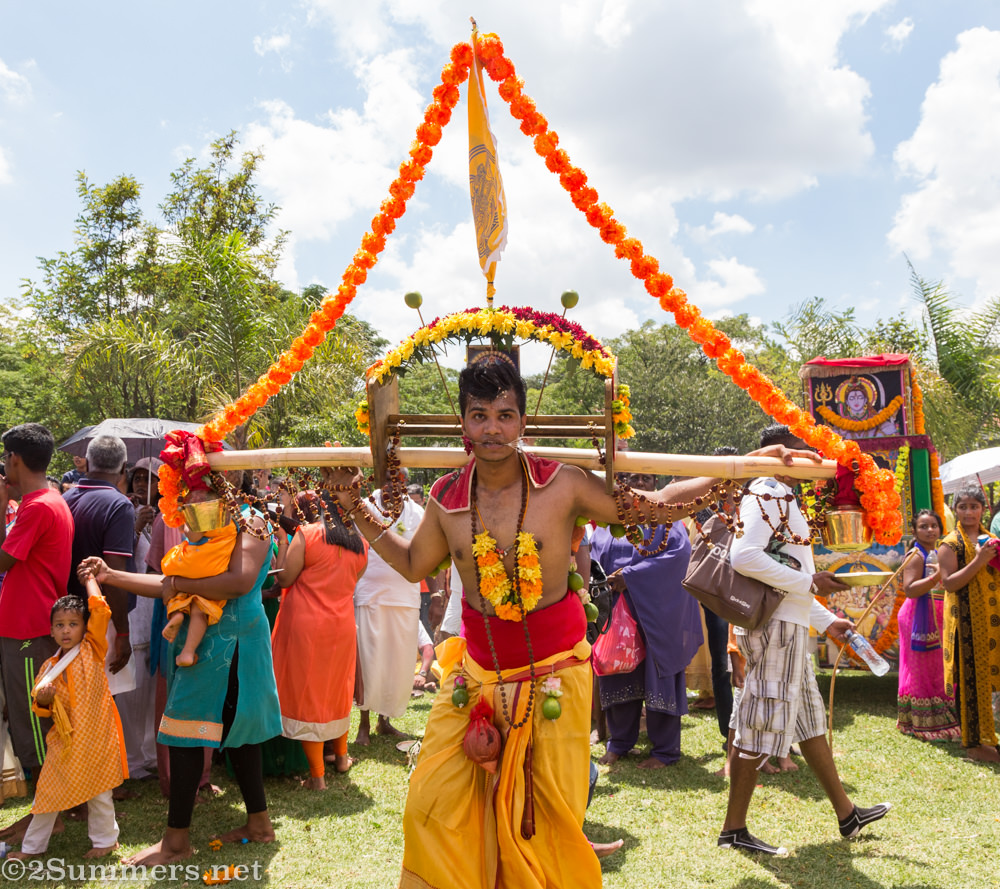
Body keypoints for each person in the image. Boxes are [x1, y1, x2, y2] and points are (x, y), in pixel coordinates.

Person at [325, 355, 818, 889]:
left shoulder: (563, 485)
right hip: (475, 678)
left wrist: (742, 466)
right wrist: (354, 504)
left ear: (522, 422)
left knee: (547, 822)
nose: (492, 428)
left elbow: (650, 506)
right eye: (479, 414)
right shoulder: (446, 498)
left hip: (554, 675)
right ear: (462, 422)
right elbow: (413, 564)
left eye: (505, 415)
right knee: (429, 800)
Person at [78, 470, 282, 866]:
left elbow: (239, 581)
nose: (191, 499)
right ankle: (257, 826)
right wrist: (111, 575)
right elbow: (168, 584)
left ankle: (176, 844)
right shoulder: (204, 530)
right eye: (187, 492)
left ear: (224, 487)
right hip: (203, 645)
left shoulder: (252, 521)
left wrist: (181, 585)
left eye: (200, 490)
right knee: (215, 735)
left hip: (237, 643)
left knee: (213, 734)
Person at [719, 424, 891, 856]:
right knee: (758, 724)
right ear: (784, 454)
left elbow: (786, 575)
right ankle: (733, 830)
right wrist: (811, 581)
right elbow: (745, 557)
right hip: (775, 629)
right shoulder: (770, 491)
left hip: (789, 623)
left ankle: (847, 814)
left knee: (810, 722)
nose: (816, 459)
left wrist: (825, 618)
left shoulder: (781, 494)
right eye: (805, 451)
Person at [7, 583, 126, 860]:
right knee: (47, 795)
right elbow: (41, 708)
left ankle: (106, 841)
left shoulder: (93, 649)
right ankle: (32, 848)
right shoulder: (48, 667)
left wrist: (90, 580)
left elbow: (101, 609)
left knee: (100, 792)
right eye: (59, 625)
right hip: (66, 743)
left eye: (73, 624)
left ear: (85, 628)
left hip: (97, 737)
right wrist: (46, 700)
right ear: (51, 631)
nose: (66, 630)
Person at [592, 473, 702, 769]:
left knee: (659, 676)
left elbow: (678, 558)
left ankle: (664, 751)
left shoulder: (668, 520)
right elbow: (594, 557)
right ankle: (619, 743)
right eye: (629, 478)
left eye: (644, 478)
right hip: (618, 612)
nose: (637, 484)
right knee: (618, 671)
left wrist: (630, 577)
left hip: (657, 614)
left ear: (656, 484)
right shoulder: (608, 520)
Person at [271, 490, 367, 788]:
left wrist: (283, 542)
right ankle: (340, 758)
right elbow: (353, 580)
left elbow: (284, 578)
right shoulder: (361, 545)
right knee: (335, 691)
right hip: (340, 626)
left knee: (309, 694)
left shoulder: (308, 534)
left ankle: (317, 777)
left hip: (306, 625)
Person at [0, 424, 74, 784]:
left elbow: (2, 561)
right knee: (31, 717)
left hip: (28, 629)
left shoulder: (39, 507)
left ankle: (46, 816)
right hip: (27, 625)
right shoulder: (48, 500)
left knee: (35, 720)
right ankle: (44, 812)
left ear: (14, 459)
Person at [353, 470, 425, 746]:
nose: (393, 485)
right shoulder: (365, 507)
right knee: (370, 660)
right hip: (369, 594)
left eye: (398, 480)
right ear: (377, 481)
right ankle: (363, 724)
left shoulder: (417, 512)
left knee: (398, 662)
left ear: (405, 483)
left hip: (405, 595)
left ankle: (385, 721)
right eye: (388, 479)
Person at [63, 435, 135, 694]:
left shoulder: (66, 499)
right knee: (101, 706)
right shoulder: (119, 505)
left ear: (89, 462)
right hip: (101, 622)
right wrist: (123, 634)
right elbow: (113, 576)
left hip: (65, 618)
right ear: (124, 468)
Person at [938, 483, 1000, 762]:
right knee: (970, 681)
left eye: (974, 506)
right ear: (955, 510)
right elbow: (949, 584)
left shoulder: (991, 540)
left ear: (983, 510)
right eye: (963, 506)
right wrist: (978, 560)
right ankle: (974, 744)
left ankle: (990, 738)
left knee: (990, 680)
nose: (969, 511)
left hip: (993, 622)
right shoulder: (950, 543)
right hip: (966, 622)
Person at [897, 509, 960, 741]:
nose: (929, 530)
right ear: (914, 531)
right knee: (922, 670)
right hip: (917, 618)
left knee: (937, 669)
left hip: (937, 614)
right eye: (923, 526)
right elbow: (910, 589)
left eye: (933, 525)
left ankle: (942, 719)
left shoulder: (937, 551)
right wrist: (936, 577)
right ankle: (921, 722)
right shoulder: (916, 555)